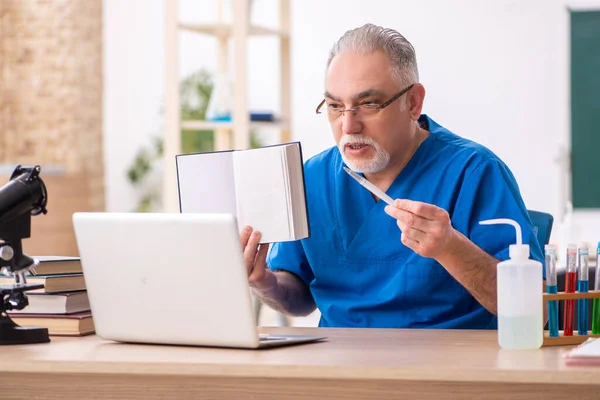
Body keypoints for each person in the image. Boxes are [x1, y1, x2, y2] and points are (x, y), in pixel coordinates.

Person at [239, 23, 544, 329]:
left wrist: (451, 248)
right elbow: (300, 296)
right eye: (335, 106)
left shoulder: (474, 173)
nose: (348, 126)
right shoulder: (312, 179)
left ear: (413, 103)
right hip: (339, 366)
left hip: (447, 366)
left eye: (368, 104)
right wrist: (265, 282)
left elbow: (537, 311)